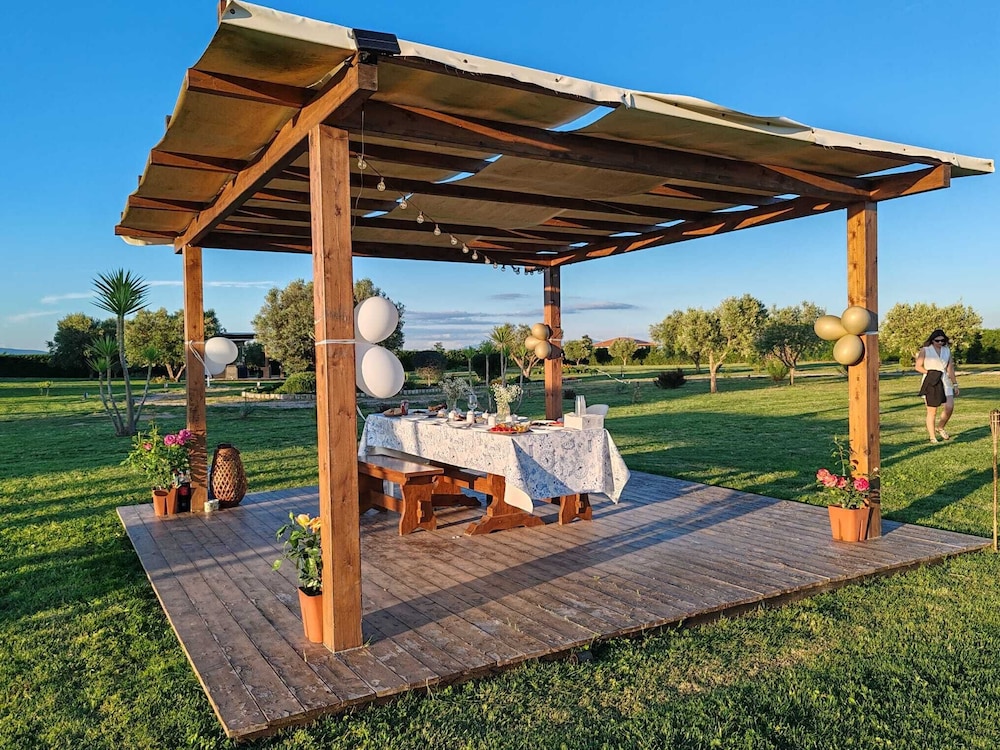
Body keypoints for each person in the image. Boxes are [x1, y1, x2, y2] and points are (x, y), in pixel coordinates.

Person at [915, 329, 959, 443]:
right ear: (932, 340)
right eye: (937, 341)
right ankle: (932, 437)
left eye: (942, 341)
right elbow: (918, 366)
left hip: (944, 380)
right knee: (932, 411)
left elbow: (950, 368)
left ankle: (940, 427)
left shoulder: (947, 350)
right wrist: (930, 373)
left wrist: (955, 384)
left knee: (949, 406)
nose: (940, 343)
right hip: (931, 381)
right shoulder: (925, 350)